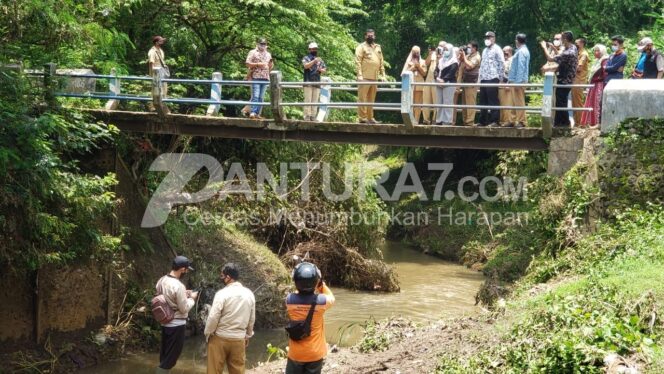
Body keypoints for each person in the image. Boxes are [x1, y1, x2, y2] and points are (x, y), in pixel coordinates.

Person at [205, 263, 256, 374]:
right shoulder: (249, 294)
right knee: (237, 371)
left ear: (228, 277)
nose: (221, 278)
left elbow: (213, 317)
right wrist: (247, 335)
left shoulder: (221, 294)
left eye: (222, 276)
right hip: (239, 339)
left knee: (214, 371)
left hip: (219, 338)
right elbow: (252, 319)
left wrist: (208, 333)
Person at [285, 262, 335, 374]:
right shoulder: (322, 301)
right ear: (315, 282)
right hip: (315, 353)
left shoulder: (289, 300)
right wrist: (321, 285)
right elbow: (331, 297)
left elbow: (297, 293)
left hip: (296, 354)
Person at [156, 256, 198, 373]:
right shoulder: (178, 285)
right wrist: (192, 299)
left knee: (165, 356)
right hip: (177, 325)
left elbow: (166, 298)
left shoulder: (161, 280)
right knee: (170, 359)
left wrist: (184, 294)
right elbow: (184, 308)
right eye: (186, 269)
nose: (187, 272)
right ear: (182, 269)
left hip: (165, 323)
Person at [541, 31, 578, 128]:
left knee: (561, 101)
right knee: (560, 101)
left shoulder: (568, 52)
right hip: (567, 79)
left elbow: (550, 58)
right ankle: (558, 122)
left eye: (561, 39)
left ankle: (564, 123)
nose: (560, 41)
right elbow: (562, 60)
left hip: (565, 80)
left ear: (565, 39)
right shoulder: (572, 47)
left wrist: (544, 47)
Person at [355, 29, 386, 124]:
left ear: (374, 36)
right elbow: (357, 61)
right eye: (368, 35)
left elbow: (381, 62)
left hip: (375, 77)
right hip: (364, 77)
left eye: (372, 35)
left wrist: (383, 75)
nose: (370, 37)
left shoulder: (378, 47)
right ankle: (362, 118)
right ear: (365, 36)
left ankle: (370, 118)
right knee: (362, 98)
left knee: (371, 99)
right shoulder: (361, 47)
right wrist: (359, 75)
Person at [478, 31, 505, 127]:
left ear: (494, 38)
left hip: (493, 77)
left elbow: (502, 63)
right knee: (483, 100)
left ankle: (495, 121)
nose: (487, 39)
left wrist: (501, 78)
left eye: (489, 37)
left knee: (493, 99)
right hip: (484, 78)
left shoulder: (497, 49)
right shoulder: (484, 50)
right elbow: (481, 65)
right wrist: (479, 79)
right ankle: (482, 120)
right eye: (486, 37)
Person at [580, 44, 609, 127]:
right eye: (595, 51)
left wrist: (598, 80)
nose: (596, 52)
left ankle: (596, 122)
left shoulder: (604, 60)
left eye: (598, 51)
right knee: (591, 102)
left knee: (596, 103)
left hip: (599, 85)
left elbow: (605, 74)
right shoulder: (597, 61)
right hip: (594, 85)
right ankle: (589, 122)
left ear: (602, 51)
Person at [246, 38, 273, 119]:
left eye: (264, 44)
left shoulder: (268, 54)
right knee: (256, 95)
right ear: (258, 44)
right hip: (256, 76)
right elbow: (247, 63)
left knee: (261, 97)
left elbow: (270, 66)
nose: (263, 45)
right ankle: (253, 112)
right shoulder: (253, 52)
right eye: (261, 44)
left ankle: (257, 113)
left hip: (265, 77)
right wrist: (258, 64)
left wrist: (270, 64)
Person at [508, 33, 530, 128]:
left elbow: (521, 67)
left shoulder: (522, 51)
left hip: (518, 81)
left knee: (519, 101)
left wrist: (517, 82)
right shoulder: (521, 50)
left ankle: (522, 121)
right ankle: (512, 120)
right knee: (514, 101)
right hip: (516, 80)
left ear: (517, 40)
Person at [434, 43, 459, 126]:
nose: (445, 51)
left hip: (449, 84)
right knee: (439, 102)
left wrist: (444, 80)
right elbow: (436, 70)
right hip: (439, 83)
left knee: (447, 102)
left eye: (447, 50)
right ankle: (439, 120)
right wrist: (436, 77)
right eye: (444, 50)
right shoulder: (440, 61)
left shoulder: (454, 62)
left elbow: (451, 73)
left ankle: (447, 121)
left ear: (451, 51)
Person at [302, 42, 327, 121]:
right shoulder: (306, 58)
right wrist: (314, 61)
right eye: (313, 49)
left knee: (315, 100)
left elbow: (324, 69)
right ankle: (307, 116)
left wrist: (321, 70)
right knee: (308, 99)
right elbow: (305, 66)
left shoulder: (320, 59)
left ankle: (313, 116)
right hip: (308, 81)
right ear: (309, 50)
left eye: (316, 49)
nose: (314, 50)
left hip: (317, 81)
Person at [458, 41, 481, 126]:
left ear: (474, 48)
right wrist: (461, 54)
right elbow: (460, 62)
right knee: (464, 103)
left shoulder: (477, 57)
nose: (467, 49)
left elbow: (469, 66)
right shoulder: (468, 56)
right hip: (465, 82)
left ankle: (470, 121)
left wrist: (464, 57)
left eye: (469, 47)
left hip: (472, 83)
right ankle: (465, 121)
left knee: (470, 103)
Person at [148, 36, 169, 113]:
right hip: (156, 74)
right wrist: (153, 73)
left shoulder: (160, 50)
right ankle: (152, 107)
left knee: (164, 90)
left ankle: (163, 105)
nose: (162, 42)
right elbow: (151, 63)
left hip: (162, 73)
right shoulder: (152, 51)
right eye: (161, 41)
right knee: (155, 90)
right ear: (156, 42)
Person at [572, 38, 590, 126]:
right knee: (574, 102)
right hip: (575, 80)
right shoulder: (577, 53)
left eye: (577, 43)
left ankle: (581, 123)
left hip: (579, 81)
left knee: (578, 102)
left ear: (582, 43)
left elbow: (579, 68)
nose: (575, 45)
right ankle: (577, 122)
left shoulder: (584, 54)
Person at [422, 45, 440, 125]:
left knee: (436, 100)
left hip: (437, 79)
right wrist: (430, 54)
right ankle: (426, 119)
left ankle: (435, 119)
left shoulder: (444, 56)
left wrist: (439, 56)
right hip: (429, 79)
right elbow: (426, 63)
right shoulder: (433, 54)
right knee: (426, 99)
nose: (438, 48)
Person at [498, 46, 513, 126]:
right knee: (502, 104)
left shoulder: (512, 60)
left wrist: (508, 84)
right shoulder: (503, 60)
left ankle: (507, 121)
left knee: (507, 104)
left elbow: (511, 73)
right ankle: (502, 120)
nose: (504, 54)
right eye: (503, 52)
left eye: (506, 52)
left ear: (510, 52)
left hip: (507, 85)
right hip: (501, 84)